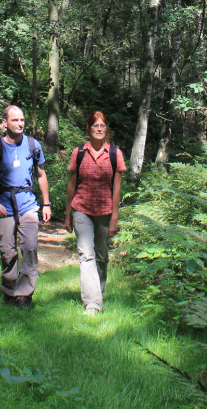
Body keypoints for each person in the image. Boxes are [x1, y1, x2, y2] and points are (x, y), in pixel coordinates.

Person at [0, 104, 51, 308]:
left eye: (22, 120)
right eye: (15, 120)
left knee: (29, 247)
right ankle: (10, 292)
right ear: (5, 123)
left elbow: (41, 175)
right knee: (8, 252)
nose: (20, 123)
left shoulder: (32, 144)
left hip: (28, 205)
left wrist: (46, 204)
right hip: (3, 205)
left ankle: (25, 294)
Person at [64, 111, 125, 315]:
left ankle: (98, 292)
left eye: (102, 126)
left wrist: (115, 217)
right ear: (88, 129)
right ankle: (92, 303)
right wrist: (67, 214)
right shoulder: (79, 153)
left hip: (105, 211)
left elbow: (116, 188)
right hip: (81, 209)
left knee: (101, 256)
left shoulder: (115, 154)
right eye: (95, 126)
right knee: (86, 255)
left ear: (106, 130)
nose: (99, 129)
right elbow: (72, 184)